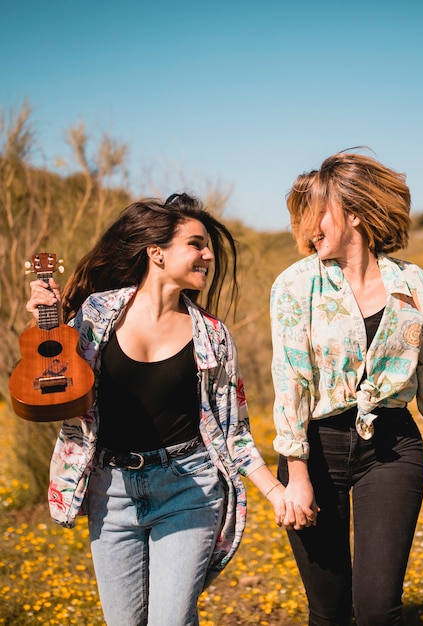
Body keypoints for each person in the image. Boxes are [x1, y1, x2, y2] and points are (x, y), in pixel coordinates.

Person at [26, 193, 287, 626]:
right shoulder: (97, 313)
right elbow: (53, 383)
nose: (207, 256)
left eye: (209, 248)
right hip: (111, 492)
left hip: (188, 488)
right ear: (157, 253)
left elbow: (234, 431)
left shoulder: (214, 338)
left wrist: (276, 493)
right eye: (196, 244)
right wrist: (45, 319)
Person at [269, 151, 423, 626]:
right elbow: (291, 381)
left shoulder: (415, 284)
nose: (308, 227)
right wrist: (296, 475)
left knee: (379, 608)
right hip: (316, 447)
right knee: (328, 610)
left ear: (356, 212)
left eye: (319, 212)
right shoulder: (296, 285)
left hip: (392, 447)